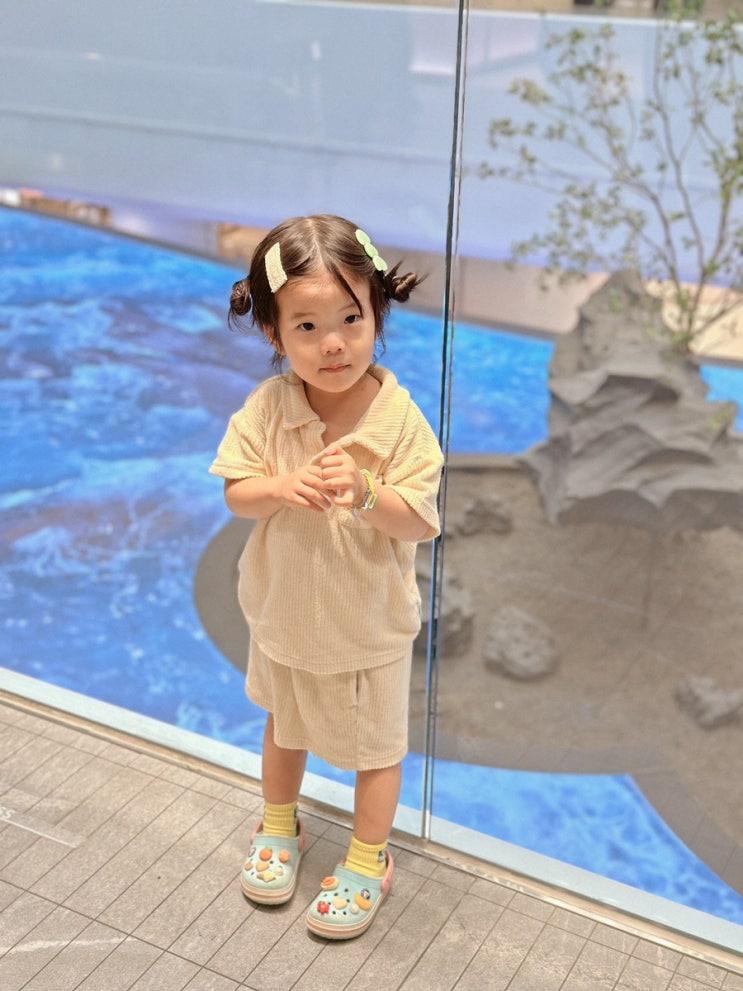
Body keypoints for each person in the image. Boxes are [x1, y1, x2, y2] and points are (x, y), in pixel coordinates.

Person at [209, 214, 443, 939]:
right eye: (307, 327)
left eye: (350, 318)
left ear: (377, 315)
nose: (333, 343)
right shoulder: (269, 408)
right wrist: (280, 487)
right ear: (274, 334)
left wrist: (369, 493)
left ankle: (369, 858)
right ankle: (280, 823)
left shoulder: (399, 422)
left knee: (377, 751)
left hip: (367, 627)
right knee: (284, 726)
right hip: (285, 614)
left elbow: (419, 521)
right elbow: (236, 493)